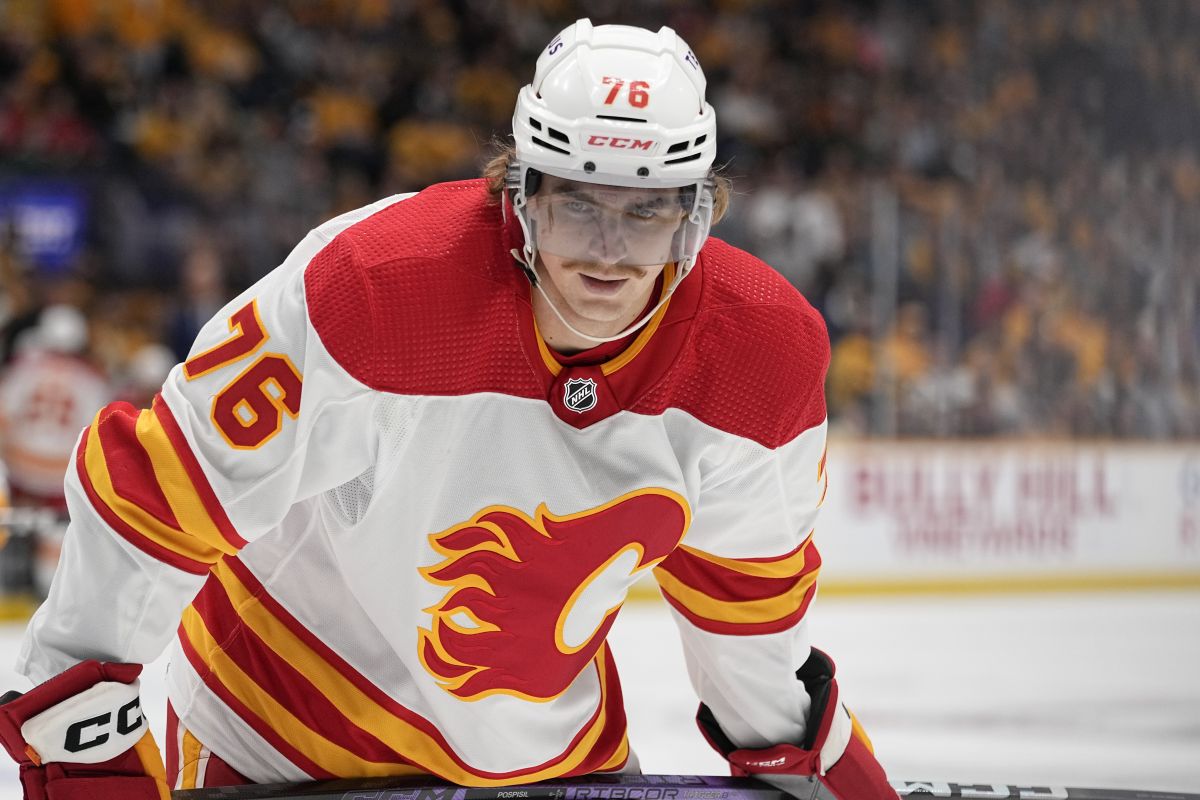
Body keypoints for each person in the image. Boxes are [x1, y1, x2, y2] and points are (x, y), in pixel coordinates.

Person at [0, 20, 896, 800]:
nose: (610, 252)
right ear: (524, 191)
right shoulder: (375, 287)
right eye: (578, 201)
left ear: (696, 214)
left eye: (647, 211)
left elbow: (744, 611)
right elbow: (159, 491)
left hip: (548, 766)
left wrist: (805, 762)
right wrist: (81, 736)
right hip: (275, 741)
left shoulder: (758, 353)